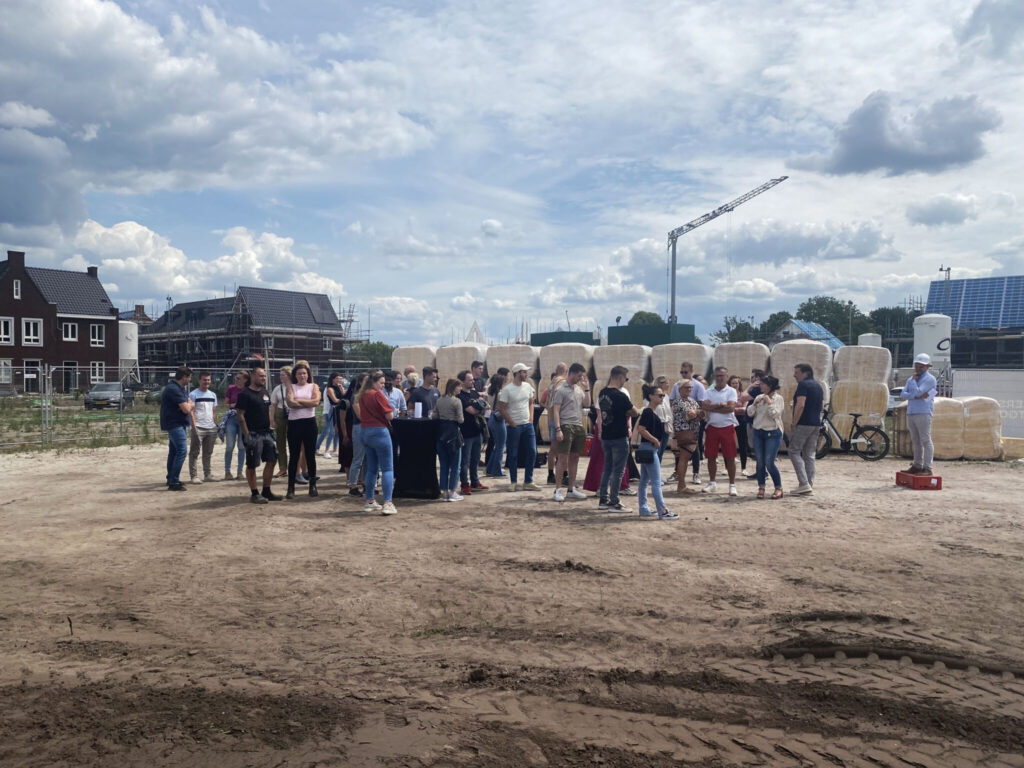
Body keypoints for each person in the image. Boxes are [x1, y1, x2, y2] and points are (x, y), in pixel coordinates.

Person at [235, 367, 281, 504]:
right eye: (261, 376)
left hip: (266, 432)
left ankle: (266, 490)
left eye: (265, 376)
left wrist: (271, 424)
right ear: (253, 376)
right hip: (253, 433)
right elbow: (240, 414)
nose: (263, 378)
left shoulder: (265, 392)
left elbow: (267, 410)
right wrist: (246, 434)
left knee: (272, 460)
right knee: (252, 464)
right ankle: (254, 493)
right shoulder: (245, 394)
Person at [598, 365, 639, 511]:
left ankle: (603, 499)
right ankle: (614, 501)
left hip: (606, 435)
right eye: (625, 379)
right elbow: (634, 412)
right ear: (620, 377)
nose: (625, 382)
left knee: (607, 468)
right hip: (619, 436)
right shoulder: (620, 395)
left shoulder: (602, 393)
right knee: (618, 470)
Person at [357, 370, 398, 515]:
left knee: (372, 468)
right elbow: (390, 415)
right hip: (379, 431)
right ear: (374, 382)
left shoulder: (362, 395)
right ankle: (388, 502)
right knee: (387, 468)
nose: (382, 386)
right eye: (381, 383)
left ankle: (369, 500)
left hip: (365, 431)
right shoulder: (377, 394)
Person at [635, 385, 678, 520]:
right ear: (651, 396)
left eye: (663, 395)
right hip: (649, 448)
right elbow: (641, 429)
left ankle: (643, 508)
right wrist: (655, 440)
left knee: (644, 481)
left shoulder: (652, 412)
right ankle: (663, 511)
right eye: (659, 395)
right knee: (656, 481)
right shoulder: (648, 412)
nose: (662, 398)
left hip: (646, 447)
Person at [550, 362, 591, 501]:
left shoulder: (578, 389)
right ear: (572, 373)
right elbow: (556, 410)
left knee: (575, 458)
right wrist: (558, 429)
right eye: (579, 375)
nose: (580, 378)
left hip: (578, 426)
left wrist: (587, 389)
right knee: (562, 458)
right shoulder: (561, 390)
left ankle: (571, 488)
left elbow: (587, 404)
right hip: (566, 425)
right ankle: (558, 489)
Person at [499, 363, 539, 491]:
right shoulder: (507, 390)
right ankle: (513, 481)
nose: (526, 374)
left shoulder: (528, 386)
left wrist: (531, 418)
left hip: (527, 425)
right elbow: (502, 408)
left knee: (532, 451)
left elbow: (531, 402)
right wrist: (511, 423)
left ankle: (528, 481)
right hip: (514, 426)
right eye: (524, 372)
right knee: (513, 454)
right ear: (517, 373)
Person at [285, 362, 321, 498]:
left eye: (304, 373)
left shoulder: (314, 386)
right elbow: (290, 403)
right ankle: (290, 488)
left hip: (309, 422)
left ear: (308, 374)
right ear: (295, 375)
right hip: (294, 423)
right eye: (299, 373)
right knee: (294, 456)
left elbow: (316, 402)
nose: (302, 376)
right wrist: (307, 402)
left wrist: (298, 400)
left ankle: (312, 485)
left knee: (310, 455)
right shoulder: (291, 387)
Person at [701, 366, 739, 496]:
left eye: (722, 375)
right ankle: (712, 483)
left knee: (730, 456)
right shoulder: (709, 391)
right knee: (711, 456)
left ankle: (732, 484)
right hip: (712, 426)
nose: (719, 378)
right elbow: (703, 405)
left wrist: (712, 407)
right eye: (717, 376)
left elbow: (730, 408)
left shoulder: (731, 391)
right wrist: (719, 405)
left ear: (726, 377)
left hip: (727, 426)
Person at [747, 374, 785, 499]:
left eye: (763, 384)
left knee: (769, 462)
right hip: (758, 432)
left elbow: (775, 414)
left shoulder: (778, 399)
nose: (760, 386)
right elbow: (750, 413)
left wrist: (769, 403)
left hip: (772, 433)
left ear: (770, 386)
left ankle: (778, 488)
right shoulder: (758, 397)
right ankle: (761, 487)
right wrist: (754, 404)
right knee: (760, 462)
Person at [670, 362, 707, 486]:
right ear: (680, 389)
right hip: (684, 432)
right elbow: (691, 414)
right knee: (683, 458)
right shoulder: (679, 401)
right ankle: (681, 484)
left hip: (694, 430)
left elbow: (702, 411)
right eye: (687, 388)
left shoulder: (692, 397)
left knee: (691, 454)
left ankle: (692, 476)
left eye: (690, 388)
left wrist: (697, 412)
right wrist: (697, 413)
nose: (689, 390)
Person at [789, 363, 824, 495]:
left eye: (796, 372)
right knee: (809, 454)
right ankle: (809, 484)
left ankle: (803, 483)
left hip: (803, 423)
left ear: (805, 373)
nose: (794, 375)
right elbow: (821, 406)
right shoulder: (818, 386)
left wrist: (794, 422)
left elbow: (800, 405)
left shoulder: (803, 385)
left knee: (793, 451)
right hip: (816, 423)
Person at [902, 353, 938, 475]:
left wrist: (913, 389)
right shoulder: (911, 379)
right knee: (916, 440)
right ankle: (917, 465)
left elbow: (917, 392)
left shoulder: (929, 379)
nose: (918, 368)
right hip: (911, 411)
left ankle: (927, 468)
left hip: (923, 412)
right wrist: (915, 395)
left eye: (921, 366)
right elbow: (903, 394)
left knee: (925, 440)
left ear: (927, 367)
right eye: (917, 365)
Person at [161, 366, 193, 491]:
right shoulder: (174, 389)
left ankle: (171, 478)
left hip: (177, 423)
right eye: (189, 377)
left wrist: (187, 404)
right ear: (184, 377)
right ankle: (173, 482)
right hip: (175, 424)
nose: (190, 380)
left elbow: (186, 403)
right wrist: (190, 405)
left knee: (174, 451)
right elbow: (186, 408)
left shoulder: (179, 388)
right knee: (182, 451)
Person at [432, 378, 465, 501]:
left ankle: (444, 491)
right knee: (456, 464)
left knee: (444, 464)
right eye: (459, 386)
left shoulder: (440, 400)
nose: (460, 389)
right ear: (454, 387)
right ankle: (452, 492)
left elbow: (435, 415)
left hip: (441, 433)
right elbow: (461, 419)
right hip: (453, 434)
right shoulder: (457, 401)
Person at [457, 369, 489, 495]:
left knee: (476, 459)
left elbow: (486, 406)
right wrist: (479, 406)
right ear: (463, 381)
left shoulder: (474, 393)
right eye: (470, 380)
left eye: (472, 379)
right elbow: (472, 410)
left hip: (477, 431)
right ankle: (465, 484)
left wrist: (479, 406)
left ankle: (475, 482)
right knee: (465, 460)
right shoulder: (460, 396)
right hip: (466, 432)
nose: (473, 381)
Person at [187, 371, 218, 483]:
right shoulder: (193, 394)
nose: (207, 382)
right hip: (198, 427)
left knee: (208, 453)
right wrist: (194, 426)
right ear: (199, 380)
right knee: (194, 452)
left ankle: (207, 474)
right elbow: (191, 412)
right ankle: (194, 476)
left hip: (211, 428)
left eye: (208, 380)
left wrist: (216, 425)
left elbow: (214, 411)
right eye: (204, 380)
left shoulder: (213, 395)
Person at [542, 363, 568, 484]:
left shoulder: (551, 383)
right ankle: (563, 475)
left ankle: (550, 475)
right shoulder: (562, 382)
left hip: (551, 418)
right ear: (566, 371)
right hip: (560, 419)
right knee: (564, 449)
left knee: (553, 448)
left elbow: (546, 402)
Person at [347, 371, 369, 494]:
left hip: (369, 427)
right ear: (360, 382)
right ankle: (353, 485)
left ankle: (367, 483)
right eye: (366, 380)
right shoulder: (356, 396)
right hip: (360, 427)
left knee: (368, 458)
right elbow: (360, 415)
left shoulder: (370, 395)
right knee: (358, 458)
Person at [223, 370, 248, 480]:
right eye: (236, 378)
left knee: (242, 447)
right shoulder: (231, 388)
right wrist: (235, 405)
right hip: (232, 418)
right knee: (229, 446)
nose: (236, 380)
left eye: (238, 378)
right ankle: (227, 471)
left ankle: (239, 471)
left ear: (245, 380)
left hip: (244, 419)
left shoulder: (248, 390)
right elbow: (226, 404)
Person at [485, 371, 509, 478]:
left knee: (497, 446)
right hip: (499, 419)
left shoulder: (490, 393)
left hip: (491, 418)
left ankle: (490, 468)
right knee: (500, 446)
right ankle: (497, 470)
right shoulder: (500, 394)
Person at [269, 366, 292, 478]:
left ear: (289, 375)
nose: (281, 376)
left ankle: (295, 467)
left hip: (293, 413)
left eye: (284, 374)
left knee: (294, 441)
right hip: (280, 412)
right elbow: (272, 405)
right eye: (280, 374)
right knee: (280, 442)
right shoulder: (278, 388)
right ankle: (283, 468)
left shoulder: (295, 386)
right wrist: (272, 420)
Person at [315, 372, 344, 458]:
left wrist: (341, 387)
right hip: (329, 411)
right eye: (338, 378)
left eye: (340, 378)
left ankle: (334, 449)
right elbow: (335, 400)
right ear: (333, 379)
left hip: (337, 410)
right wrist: (344, 401)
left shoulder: (338, 387)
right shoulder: (329, 388)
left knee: (335, 431)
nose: (340, 380)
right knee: (330, 431)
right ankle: (326, 450)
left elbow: (344, 395)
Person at [728, 374, 751, 477]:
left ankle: (743, 467)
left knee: (743, 444)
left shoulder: (743, 395)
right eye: (732, 383)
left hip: (741, 420)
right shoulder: (727, 394)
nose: (734, 385)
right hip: (729, 420)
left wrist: (732, 409)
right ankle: (727, 467)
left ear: (739, 384)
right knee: (728, 443)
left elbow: (745, 409)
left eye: (736, 383)